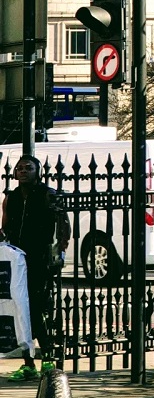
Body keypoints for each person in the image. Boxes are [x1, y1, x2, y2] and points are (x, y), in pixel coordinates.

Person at [1, 155, 70, 378]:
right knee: (19, 309)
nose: (23, 171)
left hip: (39, 259)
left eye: (28, 168)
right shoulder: (10, 198)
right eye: (19, 168)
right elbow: (5, 225)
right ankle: (28, 361)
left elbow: (63, 225)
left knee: (36, 308)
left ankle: (47, 358)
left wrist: (59, 250)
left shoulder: (47, 194)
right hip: (16, 260)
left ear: (37, 171)